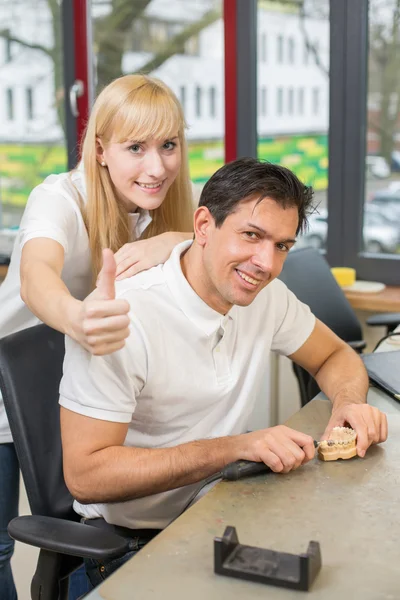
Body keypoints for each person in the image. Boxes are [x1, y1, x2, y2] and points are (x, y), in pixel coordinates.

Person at [59, 157, 388, 591]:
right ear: (203, 225)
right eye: (251, 235)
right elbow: (86, 476)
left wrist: (348, 403)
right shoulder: (125, 317)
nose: (266, 263)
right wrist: (234, 447)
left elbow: (336, 357)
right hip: (135, 548)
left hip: (226, 511)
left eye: (282, 246)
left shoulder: (266, 297)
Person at [0, 74, 194, 600]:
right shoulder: (59, 197)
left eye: (168, 145)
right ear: (102, 149)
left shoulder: (164, 204)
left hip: (79, 386)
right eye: (136, 148)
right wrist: (74, 317)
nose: (157, 167)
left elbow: (216, 239)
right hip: (9, 387)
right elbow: (37, 273)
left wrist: (174, 240)